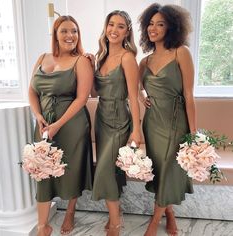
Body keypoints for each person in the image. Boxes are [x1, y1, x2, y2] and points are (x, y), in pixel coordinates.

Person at [28, 15, 94, 236]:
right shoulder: (42, 57)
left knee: (71, 169)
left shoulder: (81, 61)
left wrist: (58, 124)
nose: (70, 35)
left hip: (71, 124)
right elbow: (32, 90)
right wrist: (38, 114)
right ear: (55, 34)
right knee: (42, 170)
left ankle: (70, 212)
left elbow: (82, 98)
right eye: (65, 31)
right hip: (44, 124)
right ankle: (42, 225)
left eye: (74, 31)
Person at [138, 3, 196, 236]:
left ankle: (154, 222)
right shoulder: (145, 61)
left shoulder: (181, 52)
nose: (154, 28)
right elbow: (135, 88)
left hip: (175, 121)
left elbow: (189, 96)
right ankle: (169, 213)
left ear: (171, 27)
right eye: (150, 23)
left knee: (171, 168)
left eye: (160, 24)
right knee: (160, 170)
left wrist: (193, 134)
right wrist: (143, 97)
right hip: (152, 123)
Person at [91, 10, 141, 236]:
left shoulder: (127, 57)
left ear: (127, 31)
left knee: (103, 170)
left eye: (120, 26)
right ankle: (116, 212)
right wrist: (87, 65)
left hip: (120, 118)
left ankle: (115, 223)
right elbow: (93, 92)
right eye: (111, 24)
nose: (114, 30)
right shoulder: (99, 56)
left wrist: (136, 129)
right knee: (110, 169)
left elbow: (133, 96)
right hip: (101, 117)